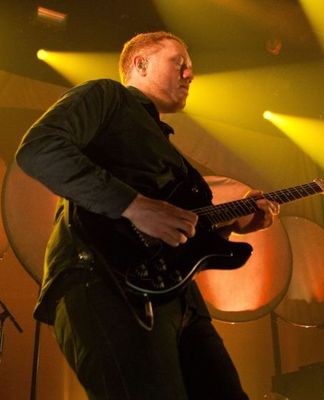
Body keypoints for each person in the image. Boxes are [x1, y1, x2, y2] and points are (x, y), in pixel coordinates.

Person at [16, 31, 280, 400]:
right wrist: (135, 206)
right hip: (102, 280)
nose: (190, 75)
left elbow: (178, 238)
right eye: (180, 63)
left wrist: (230, 229)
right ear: (140, 63)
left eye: (191, 68)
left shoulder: (164, 143)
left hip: (177, 297)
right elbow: (39, 150)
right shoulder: (106, 96)